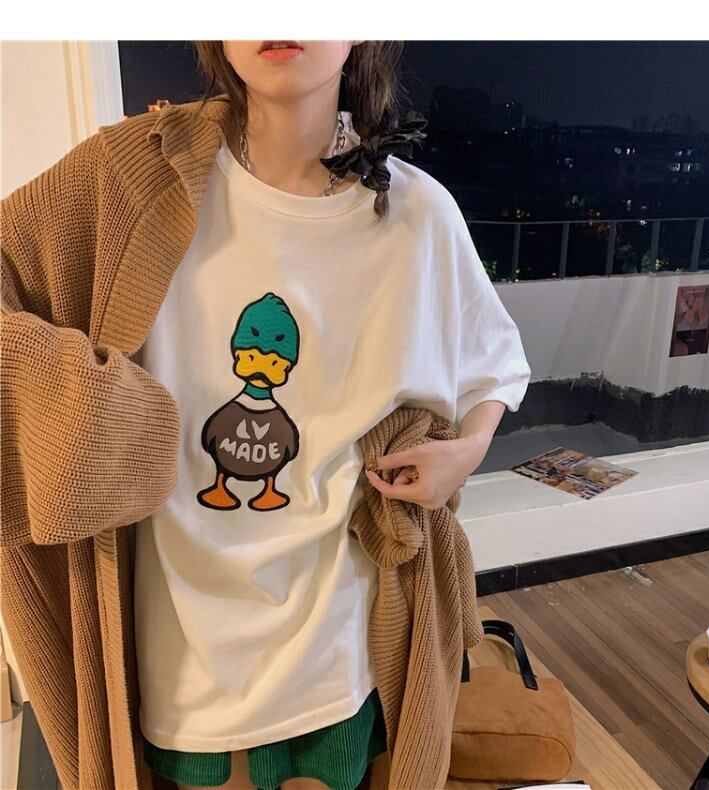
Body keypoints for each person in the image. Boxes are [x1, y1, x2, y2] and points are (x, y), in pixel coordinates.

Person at [4, 41, 531, 790]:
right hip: (189, 636)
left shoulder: (416, 213)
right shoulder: (134, 181)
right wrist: (85, 404)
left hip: (341, 628)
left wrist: (466, 451)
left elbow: (494, 360)